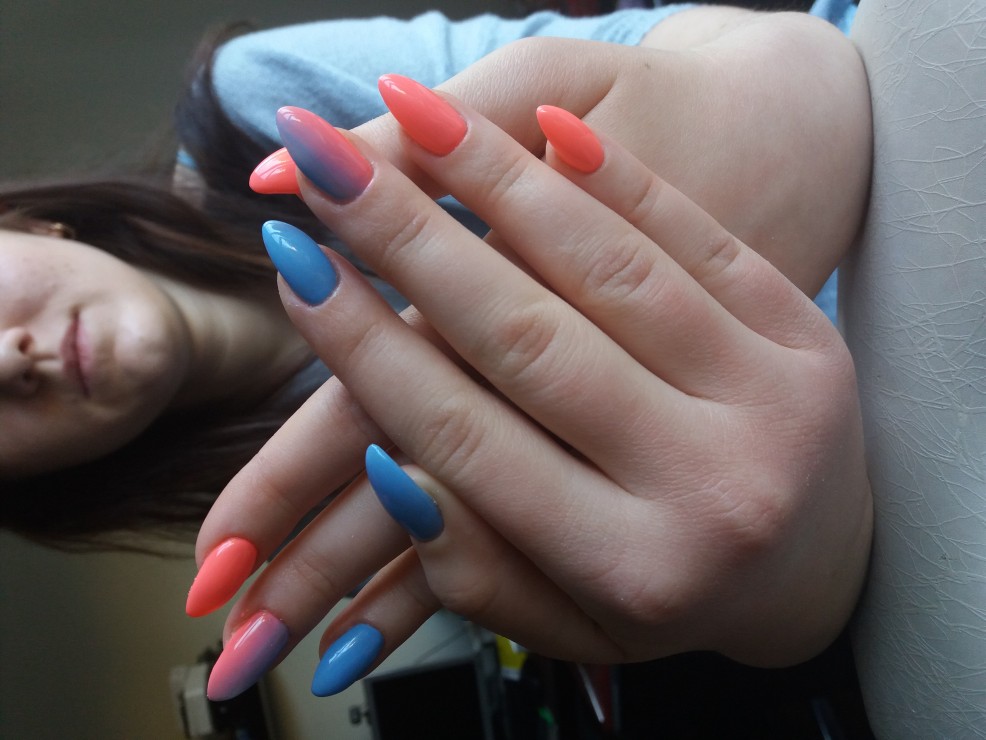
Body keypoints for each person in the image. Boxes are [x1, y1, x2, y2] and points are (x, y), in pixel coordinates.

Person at [2, 1, 872, 730]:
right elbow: (737, 583)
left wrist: (761, 82)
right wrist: (786, 608)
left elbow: (707, 52)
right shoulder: (293, 530)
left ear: (26, 223)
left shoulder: (255, 106)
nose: (10, 362)